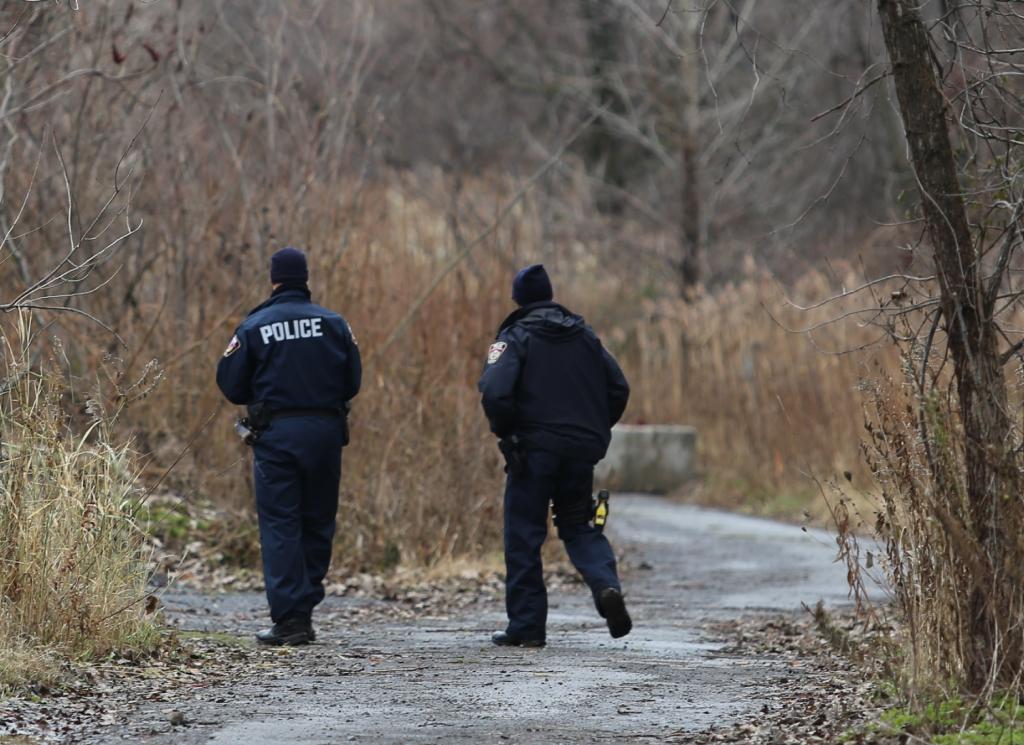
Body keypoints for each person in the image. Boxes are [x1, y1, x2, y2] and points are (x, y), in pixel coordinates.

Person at [478, 264, 631, 648]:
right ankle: (606, 587)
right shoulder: (585, 337)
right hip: (579, 453)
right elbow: (618, 388)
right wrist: (593, 428)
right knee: (579, 526)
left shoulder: (516, 336)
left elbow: (494, 391)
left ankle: (527, 627)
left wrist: (507, 433)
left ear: (518, 298)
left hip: (533, 451)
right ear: (549, 294)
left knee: (524, 534)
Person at [216, 247, 361, 646]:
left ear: (274, 280)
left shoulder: (255, 326)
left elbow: (230, 384)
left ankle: (290, 618)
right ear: (305, 278)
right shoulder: (334, 323)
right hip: (325, 433)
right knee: (318, 520)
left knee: (281, 523)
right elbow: (352, 381)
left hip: (277, 435)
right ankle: (305, 608)